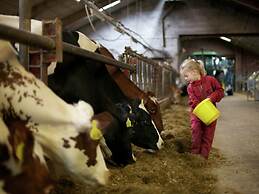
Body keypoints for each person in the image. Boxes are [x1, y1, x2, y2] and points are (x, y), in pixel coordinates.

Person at [180, 59, 224, 159]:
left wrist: (211, 98)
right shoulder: (190, 87)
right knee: (196, 131)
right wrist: (198, 105)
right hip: (197, 114)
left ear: (194, 72)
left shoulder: (210, 80)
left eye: (186, 76)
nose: (186, 79)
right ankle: (195, 154)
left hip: (210, 113)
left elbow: (220, 91)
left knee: (208, 135)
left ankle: (204, 157)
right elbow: (192, 101)